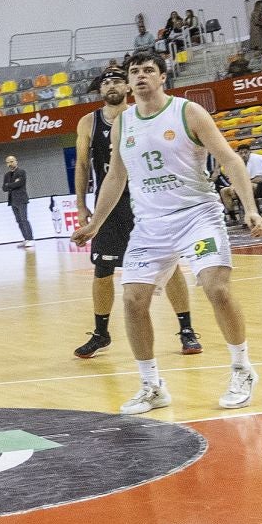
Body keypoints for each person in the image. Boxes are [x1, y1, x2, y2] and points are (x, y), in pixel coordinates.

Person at [74, 52, 262, 416]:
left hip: (197, 215)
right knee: (132, 300)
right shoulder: (124, 123)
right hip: (150, 224)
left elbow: (229, 159)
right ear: (130, 83)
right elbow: (116, 177)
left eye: (149, 70)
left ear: (163, 78)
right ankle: (152, 386)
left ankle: (242, 369)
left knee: (216, 288)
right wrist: (95, 223)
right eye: (135, 72)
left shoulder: (188, 112)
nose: (141, 76)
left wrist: (250, 208)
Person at [71, 66, 204, 359]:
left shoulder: (141, 115)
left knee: (169, 266)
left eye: (117, 80)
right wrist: (81, 206)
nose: (111, 86)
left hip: (147, 200)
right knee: (102, 269)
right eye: (106, 82)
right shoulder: (87, 123)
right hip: (110, 204)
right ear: (100, 90)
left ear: (128, 87)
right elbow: (81, 166)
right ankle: (101, 333)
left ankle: (186, 329)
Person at [2, 155, 32, 247]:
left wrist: (9, 185)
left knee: (24, 220)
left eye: (12, 161)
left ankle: (30, 239)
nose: (10, 164)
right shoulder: (6, 175)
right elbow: (4, 188)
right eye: (8, 162)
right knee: (19, 221)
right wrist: (12, 184)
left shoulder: (21, 172)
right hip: (12, 201)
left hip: (21, 199)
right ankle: (25, 238)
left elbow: (20, 183)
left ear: (16, 161)